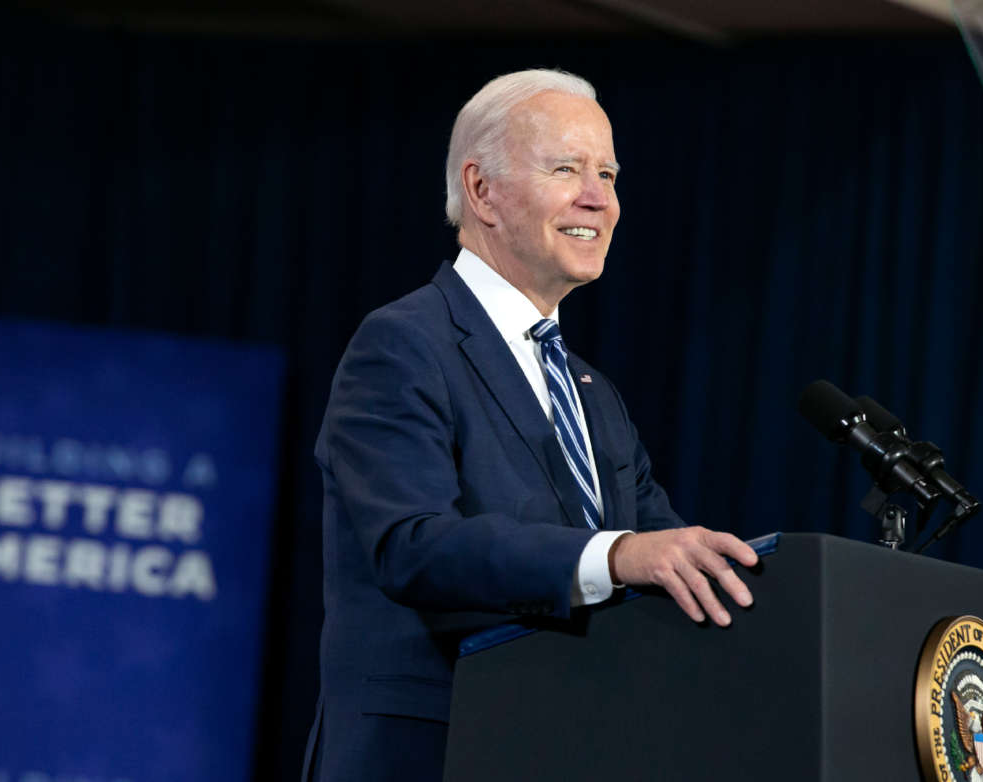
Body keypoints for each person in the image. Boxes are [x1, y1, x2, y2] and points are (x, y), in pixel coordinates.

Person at [302, 68, 759, 781]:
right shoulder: (402, 344)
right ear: (481, 190)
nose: (598, 198)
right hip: (432, 756)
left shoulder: (593, 395)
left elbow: (672, 562)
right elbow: (414, 547)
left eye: (608, 174)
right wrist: (614, 558)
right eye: (567, 169)